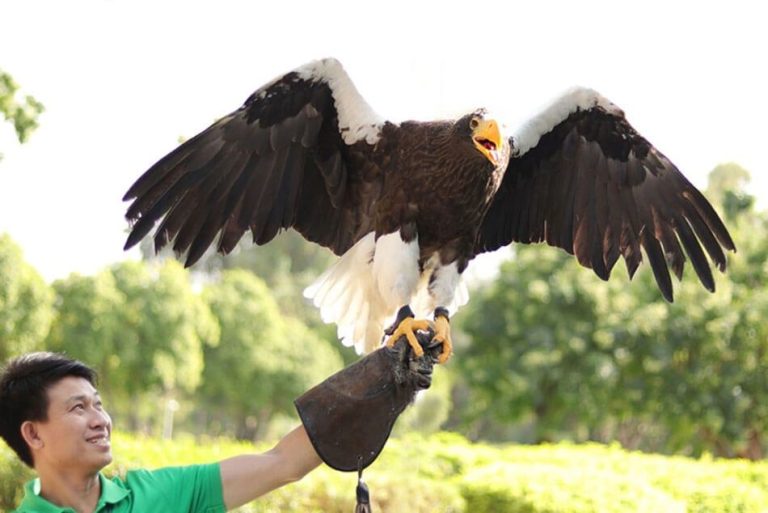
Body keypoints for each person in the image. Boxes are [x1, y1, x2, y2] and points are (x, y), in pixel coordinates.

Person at [0, 343, 435, 513]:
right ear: (33, 434)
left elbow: (283, 463)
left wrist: (385, 379)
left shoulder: (164, 495)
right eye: (78, 409)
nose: (100, 420)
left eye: (99, 405)